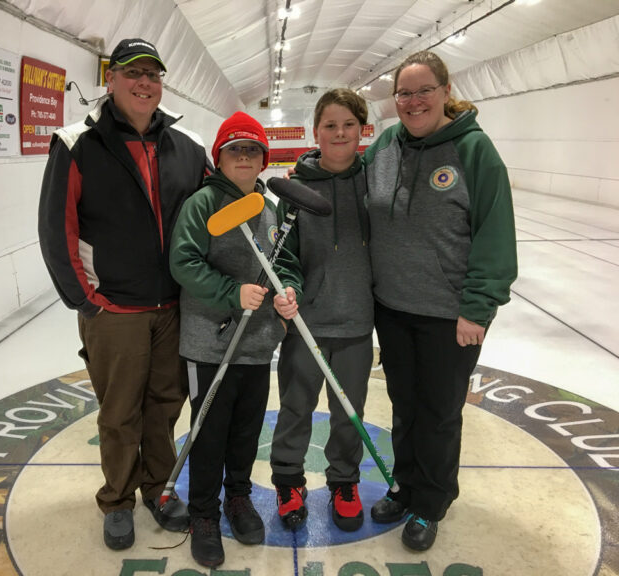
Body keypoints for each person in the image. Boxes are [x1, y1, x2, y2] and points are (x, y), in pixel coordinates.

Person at [38, 37, 211, 551]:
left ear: (162, 84)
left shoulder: (188, 147)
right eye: (132, 73)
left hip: (173, 308)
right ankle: (117, 499)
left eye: (153, 75)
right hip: (114, 309)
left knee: (165, 405)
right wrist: (86, 300)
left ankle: (157, 490)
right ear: (109, 80)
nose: (144, 83)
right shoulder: (76, 144)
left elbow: (214, 214)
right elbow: (57, 229)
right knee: (119, 414)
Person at [364, 50, 517, 551]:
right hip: (394, 307)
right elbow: (354, 187)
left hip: (448, 315)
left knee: (439, 411)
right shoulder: (387, 144)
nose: (413, 101)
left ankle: (431, 503)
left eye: (423, 90)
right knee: (405, 406)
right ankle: (405, 486)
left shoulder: (474, 151)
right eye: (404, 93)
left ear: (445, 92)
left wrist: (478, 307)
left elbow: (495, 233)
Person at [169, 112, 284, 568]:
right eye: (235, 149)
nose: (244, 157)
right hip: (209, 344)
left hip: (257, 344)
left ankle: (238, 497)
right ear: (219, 157)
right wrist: (230, 293)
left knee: (245, 432)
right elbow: (184, 262)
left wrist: (285, 289)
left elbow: (283, 260)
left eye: (252, 149)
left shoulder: (270, 208)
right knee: (208, 433)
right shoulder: (202, 204)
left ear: (263, 159)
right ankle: (203, 515)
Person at [270, 88, 374, 532]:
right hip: (305, 325)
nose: (339, 133)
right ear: (316, 131)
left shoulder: (374, 182)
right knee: (295, 407)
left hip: (356, 322)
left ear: (362, 130)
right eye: (330, 125)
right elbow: (285, 254)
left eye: (348, 124)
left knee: (349, 411)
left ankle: (344, 481)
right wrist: (289, 288)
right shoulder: (294, 189)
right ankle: (288, 480)